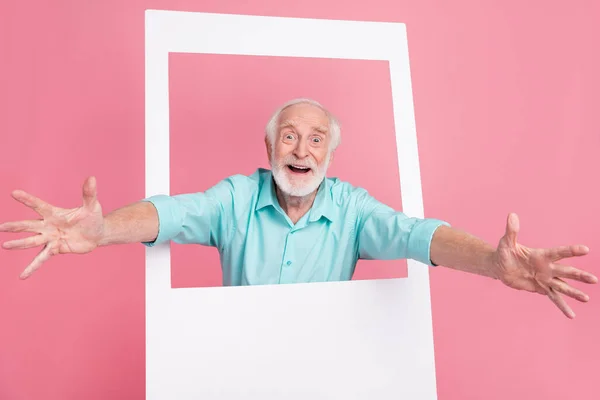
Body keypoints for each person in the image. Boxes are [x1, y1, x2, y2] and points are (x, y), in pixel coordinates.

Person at [0, 98, 596, 318]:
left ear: (330, 152)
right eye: (289, 135)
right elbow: (171, 213)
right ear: (268, 148)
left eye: (315, 138)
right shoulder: (237, 197)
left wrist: (493, 264)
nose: (301, 148)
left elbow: (417, 235)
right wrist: (103, 231)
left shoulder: (354, 209)